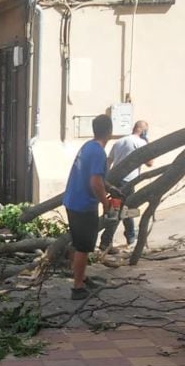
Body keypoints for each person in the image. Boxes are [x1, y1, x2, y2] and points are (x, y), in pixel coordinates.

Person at [63, 114, 113, 300]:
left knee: (78, 243)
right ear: (110, 131)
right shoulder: (99, 152)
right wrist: (106, 203)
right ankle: (77, 288)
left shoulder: (87, 147)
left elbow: (93, 176)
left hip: (72, 201)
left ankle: (81, 277)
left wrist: (109, 187)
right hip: (84, 205)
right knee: (84, 246)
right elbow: (94, 182)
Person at [99, 120, 153, 252]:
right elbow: (150, 162)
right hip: (128, 181)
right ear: (143, 130)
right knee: (121, 211)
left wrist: (107, 180)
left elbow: (108, 161)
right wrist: (148, 143)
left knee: (124, 209)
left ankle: (129, 237)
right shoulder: (139, 142)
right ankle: (109, 241)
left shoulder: (119, 142)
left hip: (114, 180)